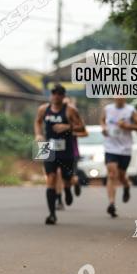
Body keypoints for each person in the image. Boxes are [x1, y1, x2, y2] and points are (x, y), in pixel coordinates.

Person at [34, 84, 86, 225]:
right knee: (50, 177)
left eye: (59, 93)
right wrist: (38, 134)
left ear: (63, 96)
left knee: (66, 178)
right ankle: (52, 214)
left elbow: (82, 127)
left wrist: (67, 127)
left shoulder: (70, 110)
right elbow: (38, 122)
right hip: (47, 147)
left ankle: (67, 190)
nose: (56, 96)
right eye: (54, 93)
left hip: (66, 149)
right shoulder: (43, 109)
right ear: (51, 95)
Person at [101, 97, 137, 217]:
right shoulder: (107, 109)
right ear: (114, 97)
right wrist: (103, 128)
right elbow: (102, 120)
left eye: (122, 95)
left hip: (125, 149)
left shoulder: (131, 110)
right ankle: (111, 204)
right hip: (110, 147)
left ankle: (126, 185)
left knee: (121, 176)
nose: (119, 98)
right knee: (111, 174)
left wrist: (127, 126)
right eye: (117, 95)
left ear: (125, 98)